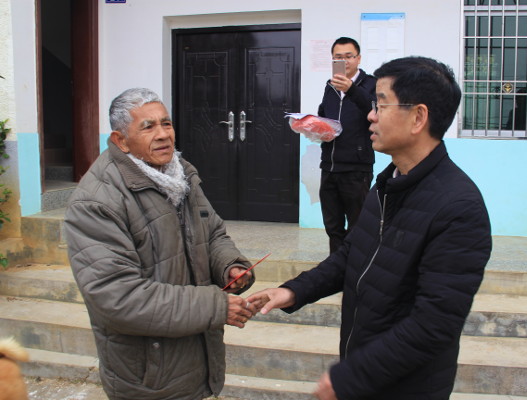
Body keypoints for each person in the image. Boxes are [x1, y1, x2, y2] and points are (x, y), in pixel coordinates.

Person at [247, 57, 492, 400]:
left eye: (380, 104)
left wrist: (353, 376)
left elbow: (433, 324)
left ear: (418, 117)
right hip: (363, 373)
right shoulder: (388, 184)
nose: (370, 116)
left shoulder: (458, 208)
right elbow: (353, 254)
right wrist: (293, 291)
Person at [64, 88, 257, 400]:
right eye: (148, 127)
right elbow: (117, 297)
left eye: (166, 123)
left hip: (195, 357)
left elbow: (212, 232)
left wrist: (229, 266)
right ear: (121, 140)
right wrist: (215, 306)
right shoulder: (97, 201)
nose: (163, 134)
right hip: (148, 374)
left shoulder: (180, 175)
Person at [318, 37, 376, 254]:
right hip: (329, 166)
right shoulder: (330, 86)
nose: (344, 61)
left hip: (356, 168)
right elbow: (324, 114)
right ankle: (336, 267)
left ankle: (354, 268)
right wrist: (315, 127)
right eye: (338, 58)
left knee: (357, 226)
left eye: (348, 57)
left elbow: (375, 112)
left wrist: (351, 89)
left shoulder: (371, 84)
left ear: (358, 58)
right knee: (332, 227)